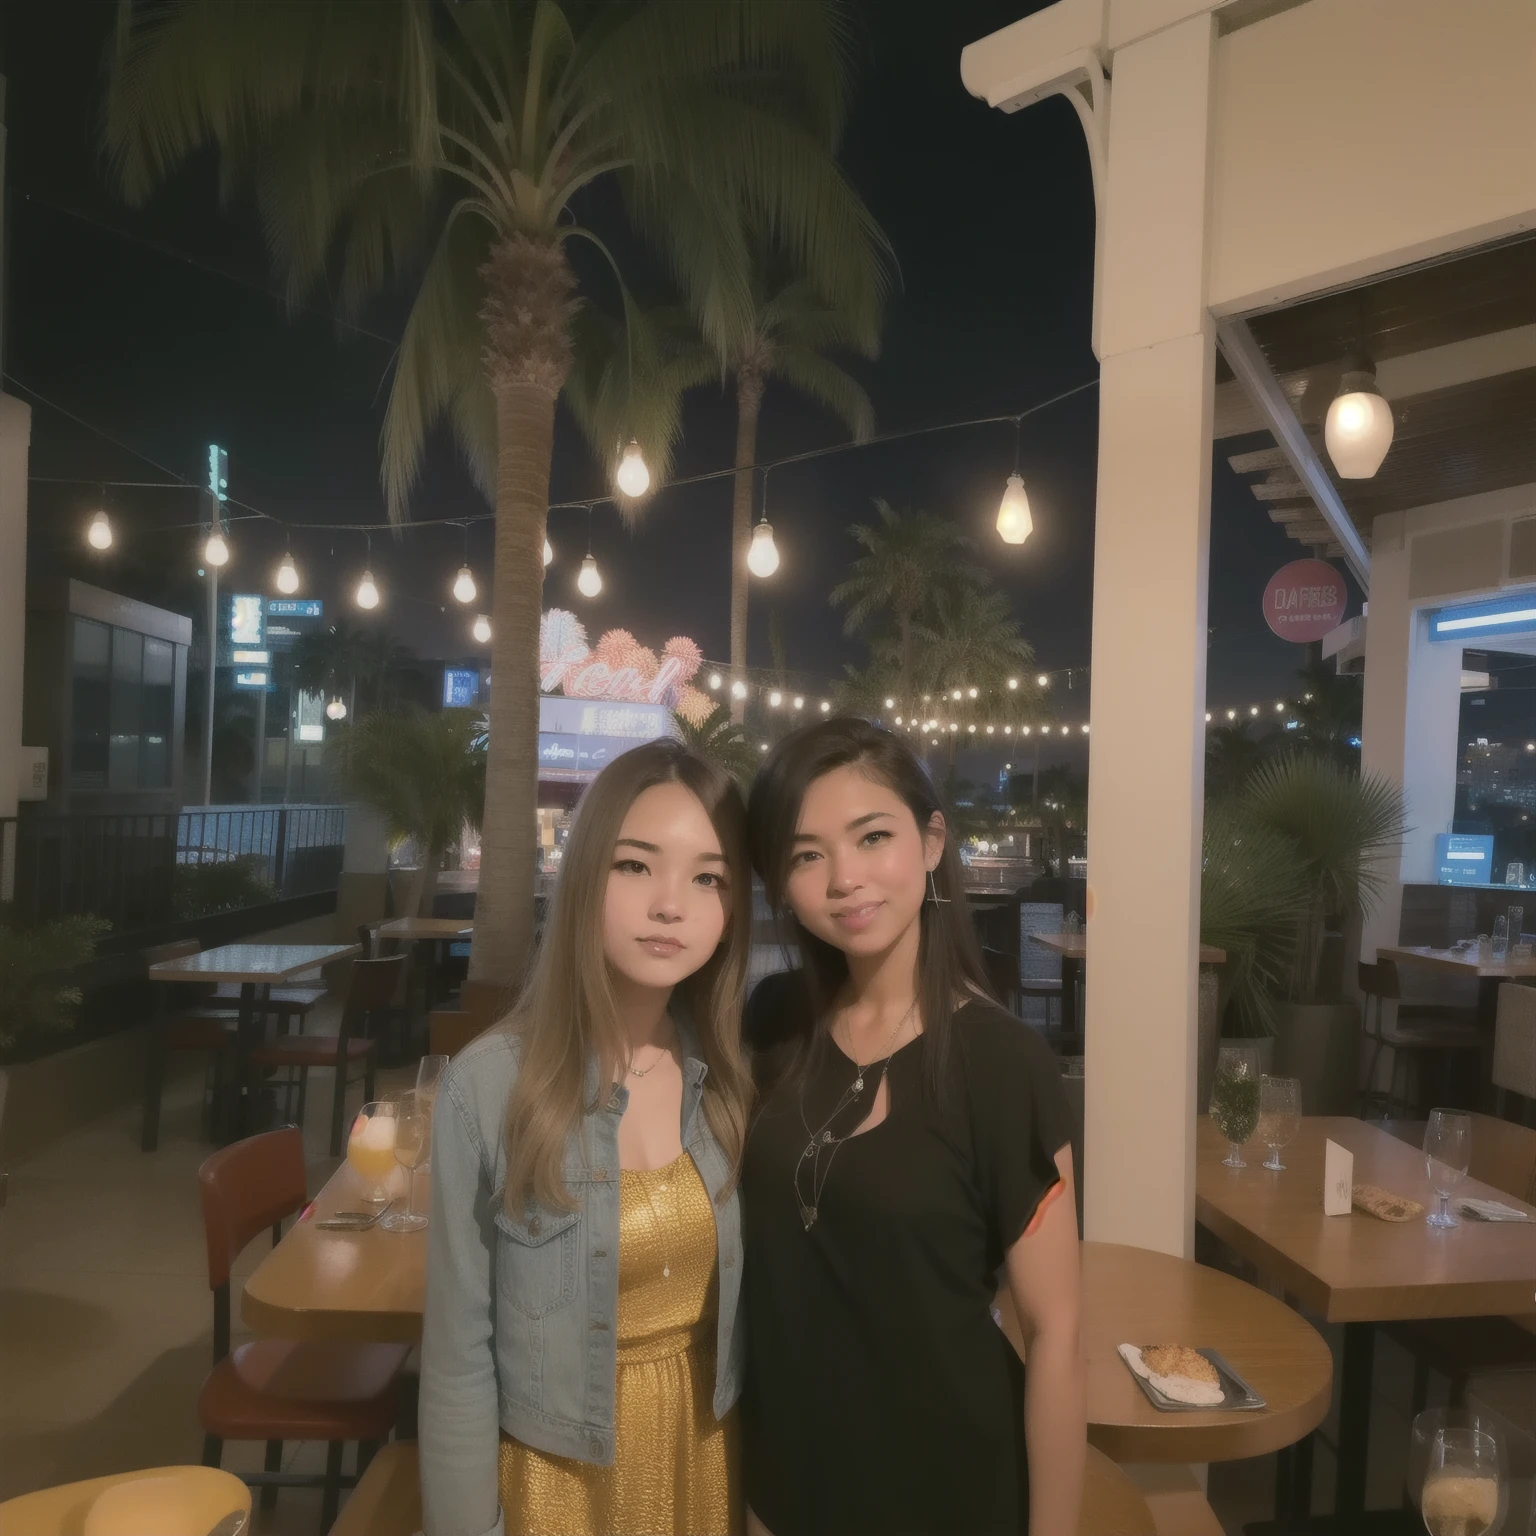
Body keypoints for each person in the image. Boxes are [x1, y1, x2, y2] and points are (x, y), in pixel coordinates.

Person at [741, 718, 1085, 1536]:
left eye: (872, 838)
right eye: (806, 854)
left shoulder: (1003, 1064)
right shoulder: (774, 1023)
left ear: (931, 842)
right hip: (788, 1484)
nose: (844, 880)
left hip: (952, 1489)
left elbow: (1056, 1333)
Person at [419, 740, 754, 1536]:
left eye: (707, 877)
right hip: (561, 1486)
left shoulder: (732, 1079)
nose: (671, 903)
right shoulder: (492, 1087)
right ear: (584, 876)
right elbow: (458, 1362)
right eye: (636, 866)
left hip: (708, 1465)